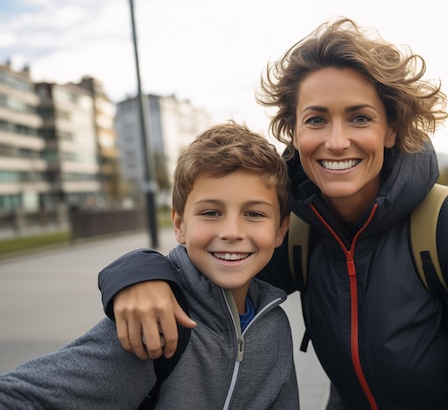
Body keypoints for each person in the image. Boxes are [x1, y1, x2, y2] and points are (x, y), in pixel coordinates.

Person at [98, 18, 448, 409]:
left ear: (391, 129)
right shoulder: (296, 231)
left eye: (359, 118)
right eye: (316, 120)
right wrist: (136, 276)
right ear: (293, 131)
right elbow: (208, 266)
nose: (336, 141)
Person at [0, 121, 299, 409]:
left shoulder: (275, 327)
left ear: (280, 230)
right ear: (179, 225)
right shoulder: (154, 322)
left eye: (255, 214)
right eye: (210, 213)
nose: (232, 232)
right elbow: (20, 396)